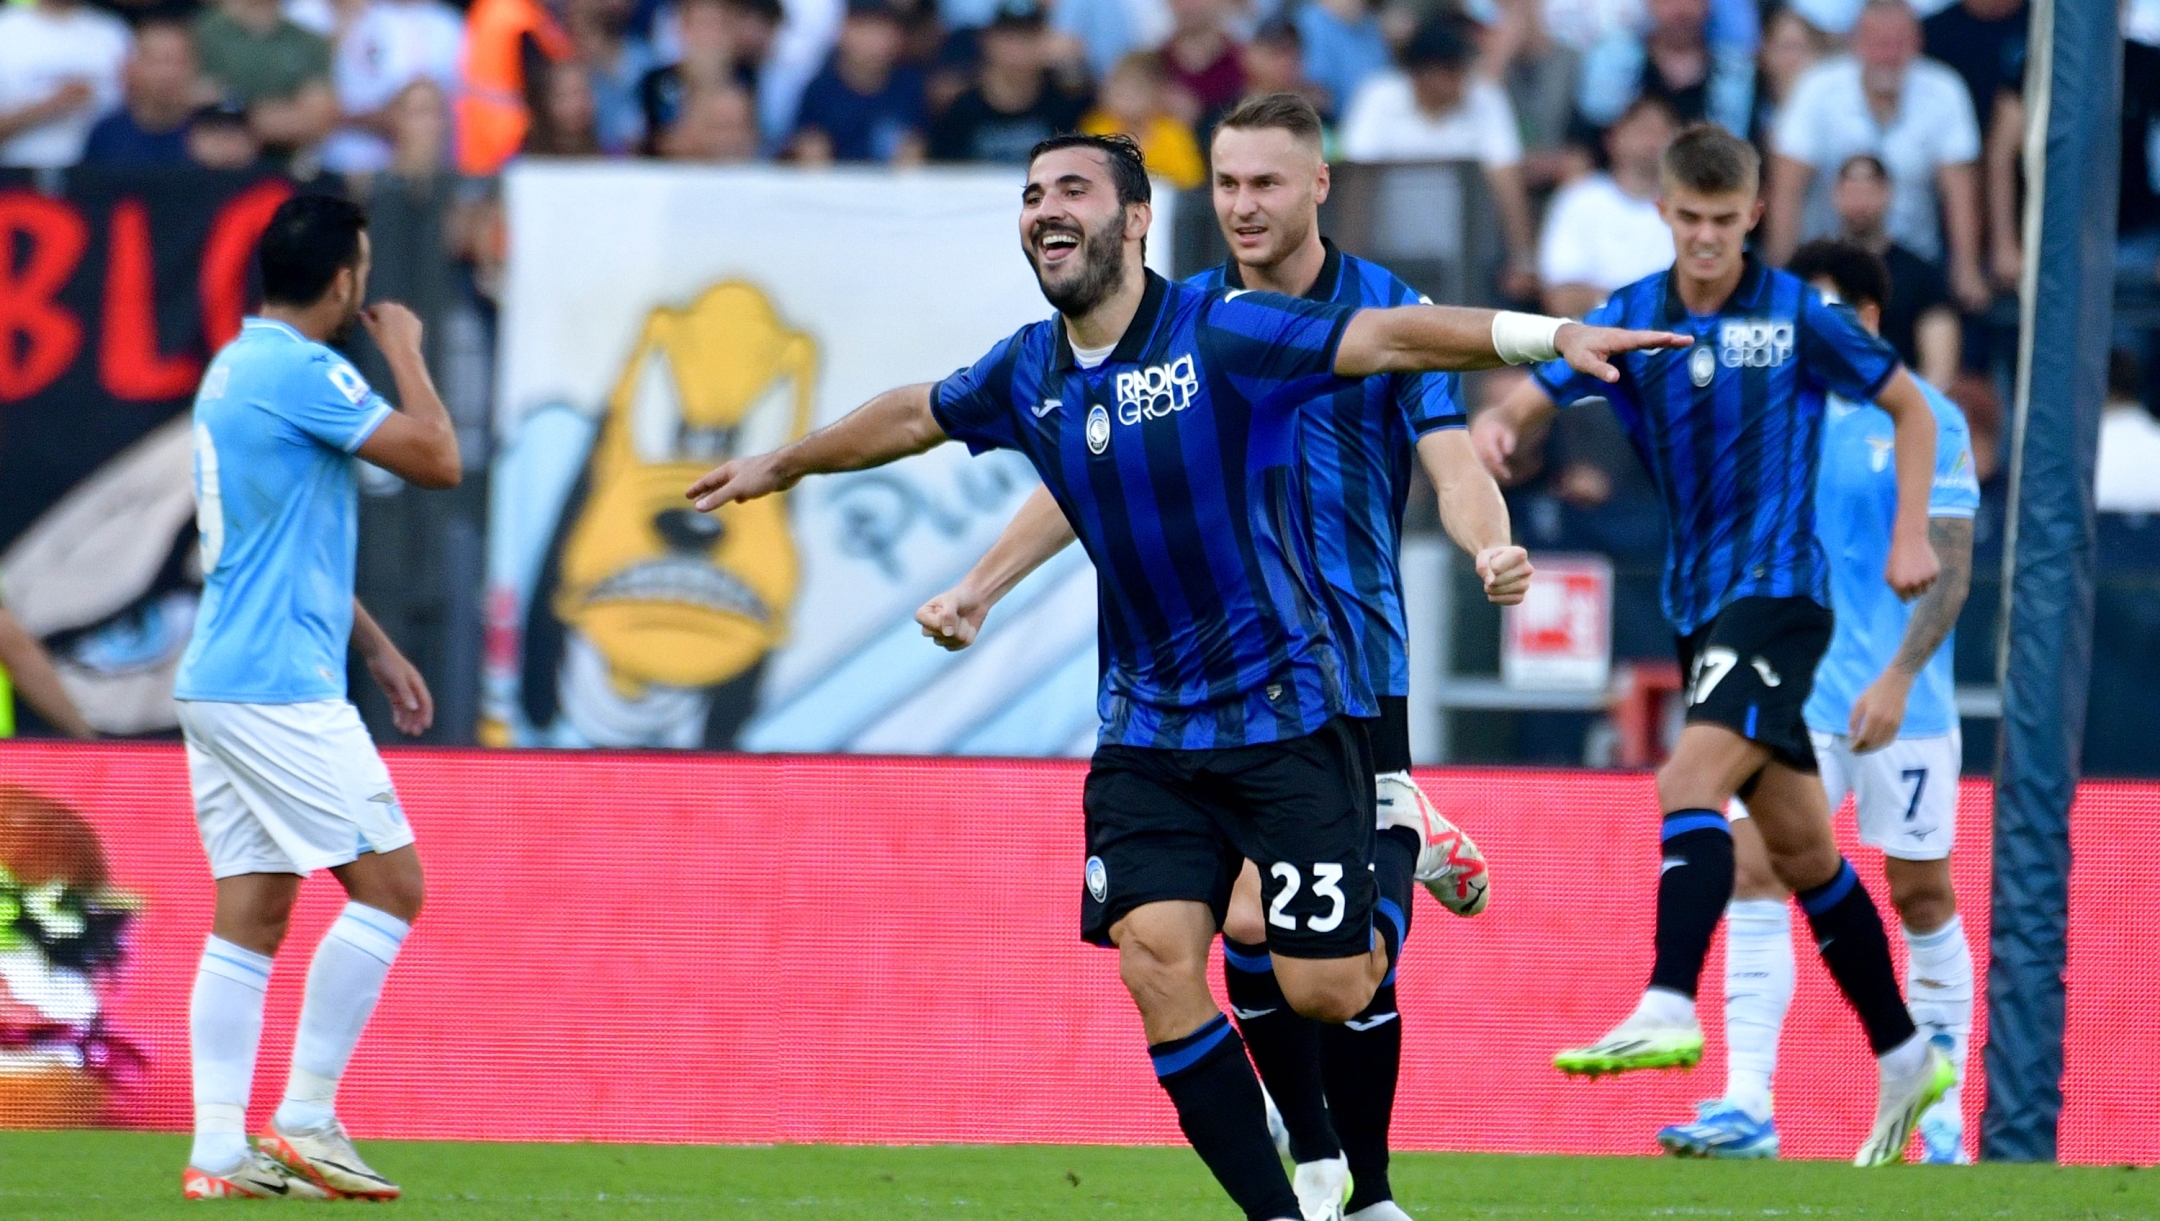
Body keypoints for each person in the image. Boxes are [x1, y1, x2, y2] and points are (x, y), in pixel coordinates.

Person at [683, 131, 1679, 1221]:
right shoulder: (1031, 371)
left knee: (1323, 983)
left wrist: (1553, 334)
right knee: (1156, 959)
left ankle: (1398, 838)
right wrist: (786, 463)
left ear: (1139, 220)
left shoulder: (1224, 328)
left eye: (1073, 190)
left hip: (1287, 713)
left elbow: (1393, 339)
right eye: (1030, 195)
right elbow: (919, 414)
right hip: (1148, 735)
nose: (1045, 210)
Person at [912, 94, 1530, 1221]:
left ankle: (1367, 1178)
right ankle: (1321, 1159)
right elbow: (1085, 472)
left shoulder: (1389, 310)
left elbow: (1448, 457)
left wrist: (1490, 545)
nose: (1244, 206)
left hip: (1351, 660)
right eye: (1229, 186)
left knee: (1310, 963)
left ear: (1317, 187)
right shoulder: (1184, 318)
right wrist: (982, 586)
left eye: (1266, 184)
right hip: (1223, 684)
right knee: (1246, 928)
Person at [1472, 123, 1955, 1167]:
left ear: (1753, 219)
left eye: (1722, 223)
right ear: (1665, 214)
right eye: (1687, 220)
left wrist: (1912, 529)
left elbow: (1911, 408)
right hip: (1699, 606)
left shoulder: (1796, 314)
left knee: (1685, 782)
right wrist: (1506, 424)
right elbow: (1545, 373)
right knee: (1802, 853)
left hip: (1780, 597)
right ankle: (1906, 1053)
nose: (1704, 240)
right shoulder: (1635, 314)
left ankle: (1666, 999)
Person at [1653, 238, 1980, 1165]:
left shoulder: (1928, 420)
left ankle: (1943, 1108)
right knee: (1755, 868)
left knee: (1919, 891)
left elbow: (1951, 570)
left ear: (1871, 321)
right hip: (1792, 696)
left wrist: (1901, 675)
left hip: (1899, 704)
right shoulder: (1770, 420)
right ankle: (1747, 1102)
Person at [177, 194, 460, 1200]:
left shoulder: (235, 367)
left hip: (222, 678)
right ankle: (305, 1115)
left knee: (251, 914)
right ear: (344, 279)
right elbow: (439, 458)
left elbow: (279, 549)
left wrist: (377, 647)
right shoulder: (304, 369)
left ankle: (218, 1152)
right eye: (365, 271)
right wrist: (411, 353)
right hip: (275, 689)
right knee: (394, 889)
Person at [1766, 0, 1988, 312]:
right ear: (1855, 42)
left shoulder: (1945, 90)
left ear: (1917, 44)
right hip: (1827, 262)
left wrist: (1966, 270)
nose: (1887, 55)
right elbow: (1787, 189)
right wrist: (1779, 272)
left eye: (1898, 43)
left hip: (1913, 266)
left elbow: (1960, 192)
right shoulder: (1817, 88)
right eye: (1877, 43)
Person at [1339, 16, 1539, 302]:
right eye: (1451, 71)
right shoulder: (1378, 97)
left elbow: (1507, 181)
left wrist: (1523, 260)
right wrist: (1350, 265)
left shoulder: (1486, 98)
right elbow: (1358, 184)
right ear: (1421, 74)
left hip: (1470, 265)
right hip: (1389, 259)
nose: (1462, 80)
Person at [1538, 95, 1680, 319]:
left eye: (1664, 131)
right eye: (1643, 129)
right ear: (1612, 139)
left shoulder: (1692, 211)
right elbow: (1560, 298)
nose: (1653, 141)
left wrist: (1602, 298)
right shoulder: (1578, 198)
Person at [1831, 153, 1961, 389]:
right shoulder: (1806, 273)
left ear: (1887, 194)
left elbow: (1940, 371)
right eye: (1851, 192)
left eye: (1869, 192)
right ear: (1835, 196)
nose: (1860, 203)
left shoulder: (1923, 278)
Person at [927, 0, 1087, 164]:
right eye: (1009, 39)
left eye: (1028, 38)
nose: (1018, 50)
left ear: (1044, 41)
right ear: (988, 42)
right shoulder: (962, 109)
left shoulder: (1066, 104)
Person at [319, 0, 466, 175]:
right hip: (356, 163)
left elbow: (460, 103)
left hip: (437, 166)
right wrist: (390, 118)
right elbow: (334, 103)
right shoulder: (360, 21)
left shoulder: (449, 23)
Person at [1575, 0, 1754, 137]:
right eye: (1667, 0)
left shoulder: (1734, 70)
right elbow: (1591, 132)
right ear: (1649, 4)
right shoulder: (1615, 59)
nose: (1679, 11)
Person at [193, 0, 340, 158]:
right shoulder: (200, 34)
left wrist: (242, 119)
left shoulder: (309, 42)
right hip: (204, 167)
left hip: (284, 164)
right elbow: (182, 104)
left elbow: (317, 119)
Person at [790, 0, 928, 164]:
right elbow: (803, 147)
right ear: (844, 31)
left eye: (883, 29)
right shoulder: (819, 91)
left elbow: (919, 144)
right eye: (865, 28)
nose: (874, 40)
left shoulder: (910, 87)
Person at [0, 0, 132, 169]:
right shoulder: (5, 29)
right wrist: (51, 106)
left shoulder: (114, 32)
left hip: (103, 179)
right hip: (17, 181)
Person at [83, 19, 203, 167]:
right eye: (158, 61)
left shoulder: (213, 129)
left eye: (179, 61)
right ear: (132, 67)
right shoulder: (107, 134)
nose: (169, 73)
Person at [1081, 53, 1204, 190]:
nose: (1125, 99)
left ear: (1155, 95)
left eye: (1134, 91)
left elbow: (1190, 181)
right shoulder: (1097, 128)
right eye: (1119, 90)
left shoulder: (1172, 132)